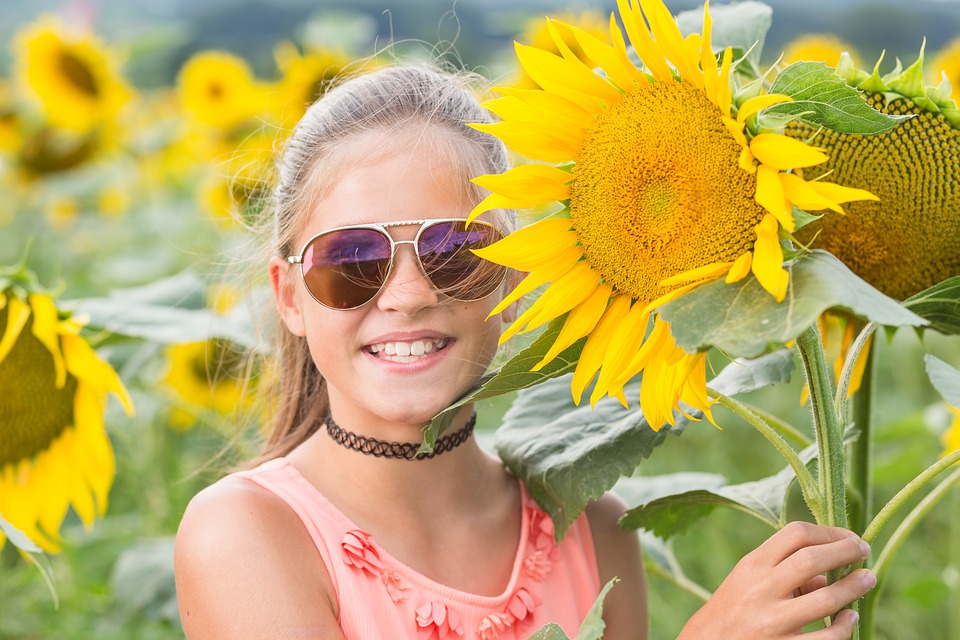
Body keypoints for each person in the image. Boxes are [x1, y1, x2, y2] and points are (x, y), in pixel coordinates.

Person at [174, 64, 876, 640]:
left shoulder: (594, 527)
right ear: (290, 296)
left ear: (513, 278)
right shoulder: (248, 534)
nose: (408, 295)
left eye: (456, 251)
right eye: (351, 260)